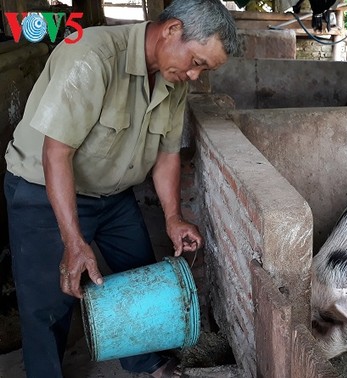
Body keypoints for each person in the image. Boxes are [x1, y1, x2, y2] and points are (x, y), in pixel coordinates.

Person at [3, 0, 238, 377]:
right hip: (42, 190)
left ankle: (146, 362)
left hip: (112, 197)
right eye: (197, 61)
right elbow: (56, 154)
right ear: (172, 29)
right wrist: (73, 241)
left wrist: (174, 218)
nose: (195, 75)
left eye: (203, 69)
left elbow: (166, 156)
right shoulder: (91, 55)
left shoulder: (172, 76)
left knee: (140, 274)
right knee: (48, 303)